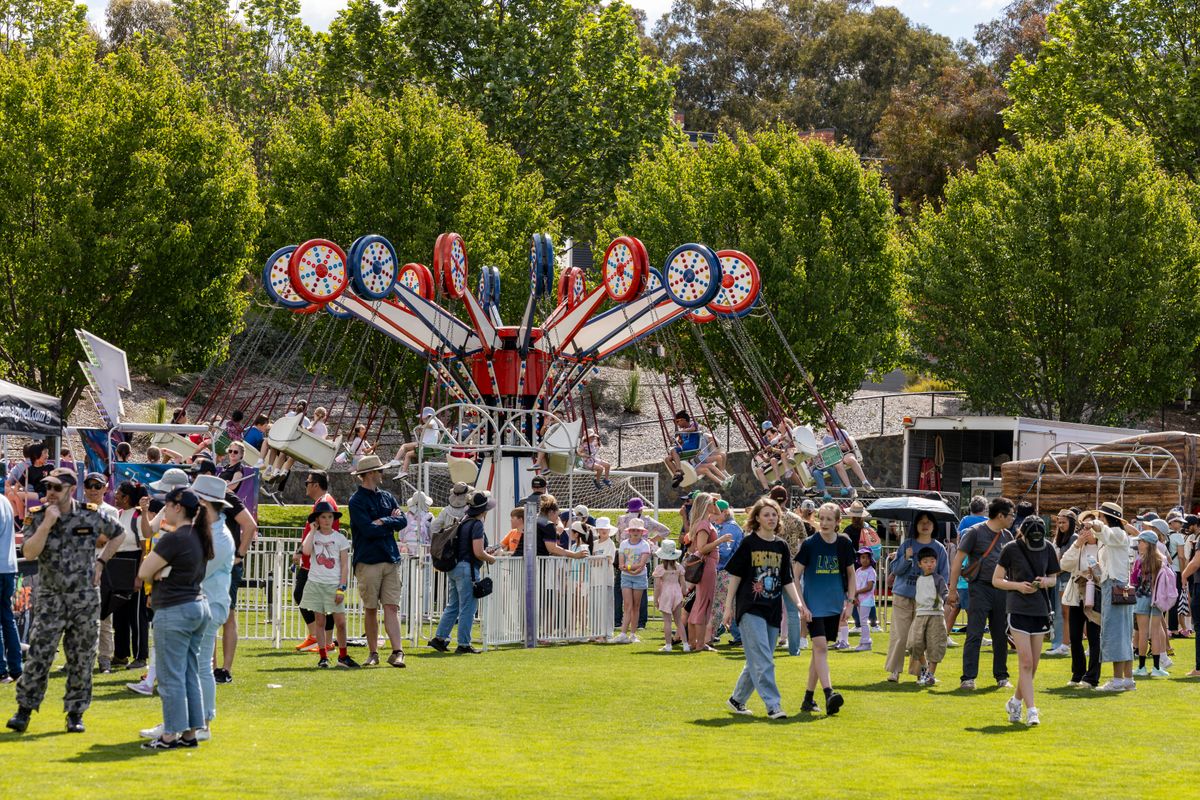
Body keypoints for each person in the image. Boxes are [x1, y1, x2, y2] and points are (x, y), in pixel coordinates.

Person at [7, 469, 125, 734]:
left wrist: (101, 562)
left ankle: (75, 714)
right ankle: (24, 710)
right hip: (51, 599)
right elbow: (29, 552)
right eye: (48, 487)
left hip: (84, 599)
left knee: (82, 657)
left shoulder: (89, 514)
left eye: (56, 488)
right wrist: (47, 524)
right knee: (39, 655)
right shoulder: (38, 516)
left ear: (71, 489)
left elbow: (119, 533)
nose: (50, 492)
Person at [136, 486, 214, 750]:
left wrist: (161, 571)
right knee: (189, 672)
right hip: (197, 606)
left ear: (177, 507)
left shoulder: (174, 538)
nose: (163, 510)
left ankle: (170, 735)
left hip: (175, 609)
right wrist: (162, 570)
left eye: (166, 505)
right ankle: (190, 733)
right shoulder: (199, 535)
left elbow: (145, 571)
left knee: (170, 676)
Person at [723, 497, 807, 719]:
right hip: (749, 608)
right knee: (763, 659)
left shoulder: (781, 546)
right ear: (757, 518)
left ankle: (737, 699)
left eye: (774, 514)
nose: (771, 518)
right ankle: (773, 705)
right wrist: (728, 607)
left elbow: (787, 579)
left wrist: (799, 603)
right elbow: (735, 576)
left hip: (772, 609)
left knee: (759, 658)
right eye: (766, 514)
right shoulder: (749, 543)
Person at [192, 459, 257, 685]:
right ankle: (209, 668)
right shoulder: (198, 499)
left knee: (226, 614)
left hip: (223, 562)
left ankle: (224, 669)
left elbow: (250, 525)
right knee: (208, 616)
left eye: (198, 474)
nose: (194, 479)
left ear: (210, 474)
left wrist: (239, 555)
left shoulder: (227, 497)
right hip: (208, 560)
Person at [993, 515, 1060, 726]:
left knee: (1034, 665)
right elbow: (997, 580)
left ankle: (1015, 702)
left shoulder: (1048, 548)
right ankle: (1032, 711)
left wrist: (1044, 581)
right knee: (1026, 662)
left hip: (1040, 608)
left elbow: (1054, 578)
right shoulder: (1011, 549)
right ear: (1024, 533)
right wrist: (1018, 586)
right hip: (1018, 608)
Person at [794, 502, 856, 715]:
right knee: (820, 647)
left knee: (818, 653)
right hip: (813, 607)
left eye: (829, 519)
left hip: (834, 606)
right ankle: (829, 693)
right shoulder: (809, 544)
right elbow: (795, 575)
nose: (824, 522)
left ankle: (808, 699)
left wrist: (850, 603)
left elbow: (851, 575)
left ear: (838, 521)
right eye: (821, 518)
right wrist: (802, 605)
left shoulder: (844, 544)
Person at [949, 497, 1016, 691]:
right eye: (1011, 515)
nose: (1013, 518)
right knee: (974, 633)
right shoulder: (975, 532)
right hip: (979, 588)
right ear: (1001, 515)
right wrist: (952, 590)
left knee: (1000, 634)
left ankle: (1002, 676)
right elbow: (957, 561)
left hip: (1001, 589)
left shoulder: (1007, 536)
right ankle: (968, 678)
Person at [347, 455, 407, 668]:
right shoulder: (356, 501)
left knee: (392, 607)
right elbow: (368, 530)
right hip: (368, 561)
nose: (383, 474)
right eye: (380, 470)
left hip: (390, 558)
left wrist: (383, 520)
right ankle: (373, 653)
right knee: (371, 608)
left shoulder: (387, 497)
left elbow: (402, 520)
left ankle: (398, 652)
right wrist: (390, 523)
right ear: (371, 473)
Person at [429, 491, 497, 654]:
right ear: (483, 510)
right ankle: (464, 643)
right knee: (468, 607)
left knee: (453, 605)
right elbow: (478, 552)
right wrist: (490, 558)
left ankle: (440, 638)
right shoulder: (477, 524)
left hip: (454, 567)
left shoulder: (464, 521)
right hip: (468, 569)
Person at [887, 510, 949, 682]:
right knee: (901, 635)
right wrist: (906, 558)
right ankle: (894, 670)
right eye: (921, 521)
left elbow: (944, 575)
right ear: (915, 525)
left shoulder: (939, 549)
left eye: (929, 521)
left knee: (921, 637)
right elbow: (895, 570)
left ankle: (920, 672)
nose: (925, 525)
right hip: (903, 595)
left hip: (927, 601)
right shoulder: (907, 544)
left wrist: (941, 596)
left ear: (934, 525)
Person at [300, 501, 357, 668]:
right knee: (320, 621)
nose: (326, 520)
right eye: (323, 517)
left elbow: (345, 565)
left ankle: (343, 656)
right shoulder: (314, 536)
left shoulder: (340, 538)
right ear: (317, 519)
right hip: (316, 582)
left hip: (333, 584)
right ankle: (323, 656)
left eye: (330, 517)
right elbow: (306, 551)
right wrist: (312, 530)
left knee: (341, 622)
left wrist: (342, 587)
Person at [1091, 501, 1138, 691]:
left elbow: (1105, 533)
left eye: (1101, 516)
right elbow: (1103, 535)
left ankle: (1118, 680)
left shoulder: (1117, 533)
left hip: (1115, 587)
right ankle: (1127, 679)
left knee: (1116, 633)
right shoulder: (1116, 534)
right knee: (1124, 633)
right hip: (1117, 586)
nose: (1099, 519)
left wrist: (1094, 524)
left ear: (1108, 517)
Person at [292, 472, 337, 652]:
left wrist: (301, 551)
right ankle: (321, 639)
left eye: (307, 482)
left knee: (303, 595)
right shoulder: (322, 502)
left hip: (318, 560)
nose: (306, 485)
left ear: (316, 485)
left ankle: (322, 639)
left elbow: (317, 531)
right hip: (317, 558)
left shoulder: (324, 503)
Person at [1059, 513, 1103, 688]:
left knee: (1094, 637)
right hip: (1077, 595)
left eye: (1089, 528)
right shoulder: (1078, 546)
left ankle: (1092, 677)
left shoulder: (1103, 547)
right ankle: (1077, 674)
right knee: (1075, 637)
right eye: (1084, 527)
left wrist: (1094, 573)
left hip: (1096, 595)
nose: (1086, 531)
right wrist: (1077, 544)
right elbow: (1064, 565)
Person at [685, 493, 731, 652]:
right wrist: (721, 540)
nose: (715, 506)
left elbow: (718, 512)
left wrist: (714, 501)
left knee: (699, 604)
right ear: (706, 505)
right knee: (704, 604)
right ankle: (699, 643)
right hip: (707, 565)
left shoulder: (704, 522)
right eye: (712, 503)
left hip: (708, 565)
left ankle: (693, 642)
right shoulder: (704, 524)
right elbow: (702, 548)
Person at [770, 486, 807, 655]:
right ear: (786, 499)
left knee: (769, 607)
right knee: (792, 610)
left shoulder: (769, 518)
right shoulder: (795, 519)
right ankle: (794, 648)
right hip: (791, 567)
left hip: (770, 565)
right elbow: (804, 542)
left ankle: (768, 646)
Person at [1132, 530, 1174, 678]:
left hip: (1141, 598)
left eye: (1140, 542)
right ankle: (1156, 668)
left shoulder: (1139, 560)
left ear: (1147, 543)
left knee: (1143, 633)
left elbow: (1134, 581)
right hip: (1157, 599)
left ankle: (1142, 667)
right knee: (1155, 633)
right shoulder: (1161, 559)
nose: (1138, 544)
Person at [907, 547, 949, 685]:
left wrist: (948, 598)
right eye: (925, 562)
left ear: (936, 562)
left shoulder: (939, 579)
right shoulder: (918, 579)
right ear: (919, 564)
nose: (929, 564)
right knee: (913, 644)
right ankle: (925, 668)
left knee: (935, 645)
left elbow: (944, 592)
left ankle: (930, 675)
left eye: (932, 561)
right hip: (920, 615)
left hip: (936, 615)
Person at [709, 498, 745, 646]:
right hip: (730, 571)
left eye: (715, 513)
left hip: (726, 571)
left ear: (724, 512)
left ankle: (710, 635)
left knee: (719, 604)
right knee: (733, 605)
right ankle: (739, 636)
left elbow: (724, 553)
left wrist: (708, 550)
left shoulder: (730, 528)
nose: (712, 516)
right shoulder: (727, 526)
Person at [614, 519, 652, 644]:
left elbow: (642, 563)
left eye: (638, 530)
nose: (635, 532)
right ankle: (623, 633)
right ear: (629, 531)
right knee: (627, 605)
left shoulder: (645, 545)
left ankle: (633, 634)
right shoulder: (624, 544)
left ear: (642, 532)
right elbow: (621, 563)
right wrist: (630, 569)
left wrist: (629, 568)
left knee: (636, 606)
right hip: (626, 576)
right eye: (633, 530)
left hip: (639, 577)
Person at [1047, 510, 1078, 656]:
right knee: (1061, 613)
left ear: (1071, 523)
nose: (1060, 525)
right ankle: (1059, 643)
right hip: (1059, 579)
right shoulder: (1059, 538)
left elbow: (1070, 560)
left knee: (1066, 614)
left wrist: (1056, 570)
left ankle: (1064, 644)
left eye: (1064, 522)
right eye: (1059, 522)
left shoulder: (1073, 538)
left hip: (1068, 579)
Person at [390, 407, 449, 476]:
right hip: (428, 447)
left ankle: (395, 460)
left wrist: (421, 426)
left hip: (425, 445)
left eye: (423, 417)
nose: (422, 419)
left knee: (404, 446)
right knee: (408, 454)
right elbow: (438, 436)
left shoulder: (432, 420)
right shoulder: (436, 424)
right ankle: (403, 472)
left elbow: (430, 425)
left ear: (427, 416)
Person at [653, 539, 688, 652]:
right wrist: (684, 593)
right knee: (678, 621)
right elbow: (683, 584)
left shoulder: (660, 568)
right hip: (677, 592)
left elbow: (657, 586)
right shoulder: (679, 567)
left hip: (666, 593)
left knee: (667, 621)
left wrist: (656, 599)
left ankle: (668, 645)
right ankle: (685, 644)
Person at [0, 492, 20, 684]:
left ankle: (1, 670)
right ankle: (16, 668)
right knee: (7, 617)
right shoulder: (4, 500)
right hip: (9, 567)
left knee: (5, 618)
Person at [664, 410, 701, 488]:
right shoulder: (682, 432)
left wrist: (682, 432)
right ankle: (677, 475)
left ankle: (679, 470)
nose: (677, 424)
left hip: (692, 447)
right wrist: (675, 440)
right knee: (667, 459)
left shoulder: (693, 424)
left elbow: (693, 429)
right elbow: (681, 443)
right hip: (685, 448)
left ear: (683, 420)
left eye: (677, 421)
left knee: (673, 450)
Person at [852, 548, 876, 652]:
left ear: (870, 559)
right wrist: (855, 597)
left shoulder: (871, 571)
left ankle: (866, 642)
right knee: (862, 621)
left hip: (867, 600)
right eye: (862, 557)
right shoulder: (858, 571)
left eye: (867, 557)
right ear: (859, 559)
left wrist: (857, 592)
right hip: (859, 600)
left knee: (863, 621)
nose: (865, 560)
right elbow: (855, 585)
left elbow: (869, 587)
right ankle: (863, 642)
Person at [400, 491, 433, 556]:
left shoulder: (405, 516)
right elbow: (432, 534)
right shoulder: (429, 517)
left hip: (406, 548)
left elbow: (401, 534)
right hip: (423, 549)